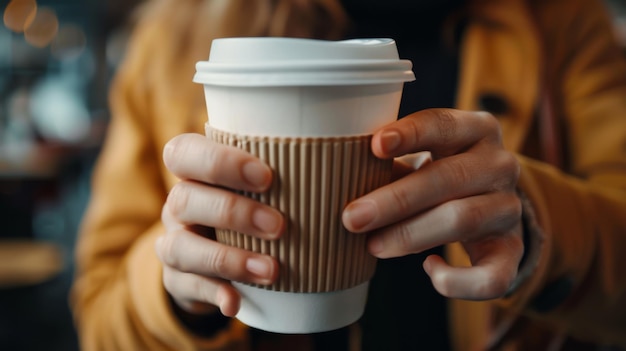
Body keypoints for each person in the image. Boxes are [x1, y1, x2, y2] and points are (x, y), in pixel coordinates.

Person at [70, 0, 626, 350]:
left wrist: (533, 223)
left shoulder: (559, 22)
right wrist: (175, 291)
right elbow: (98, 321)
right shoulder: (174, 34)